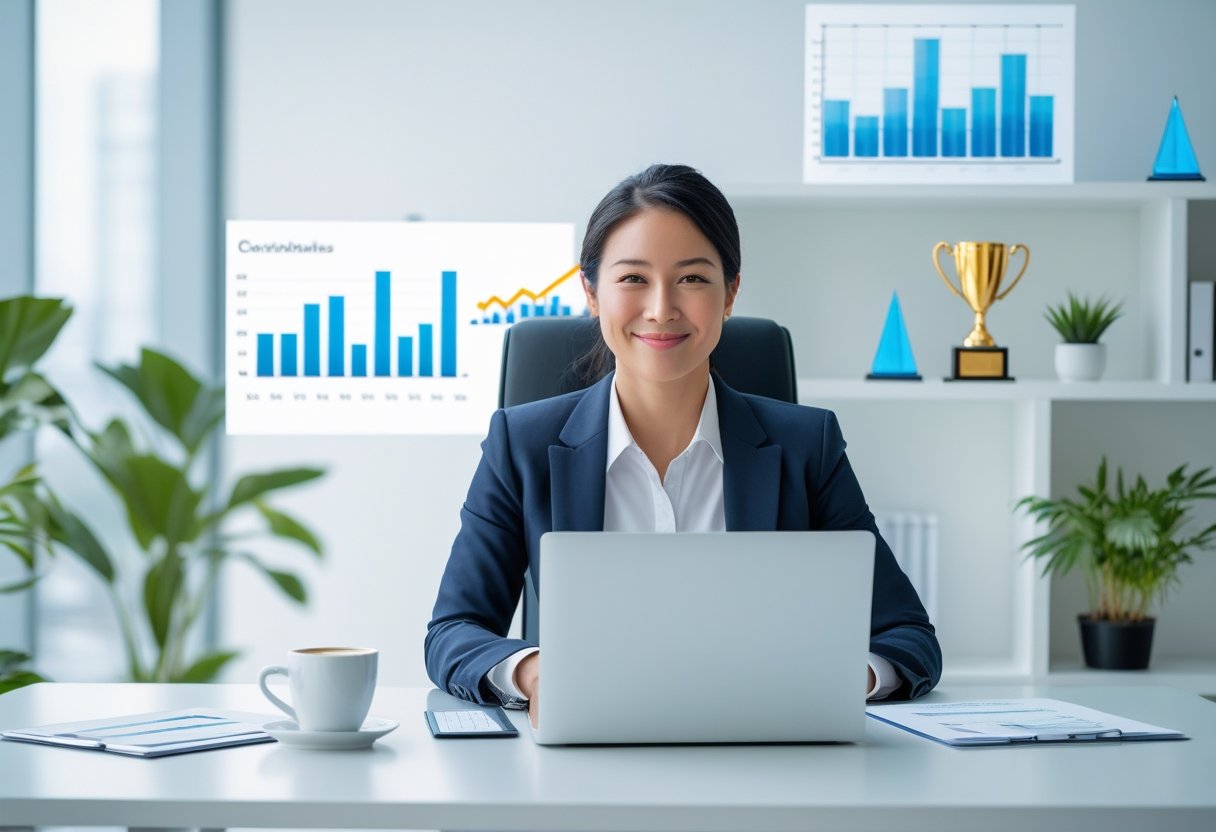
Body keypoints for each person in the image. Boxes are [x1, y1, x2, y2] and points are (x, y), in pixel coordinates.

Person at [425, 163, 941, 725]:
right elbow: (453, 632)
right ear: (592, 293)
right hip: (579, 769)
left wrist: (847, 675)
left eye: (693, 279)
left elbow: (907, 636)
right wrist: (534, 672)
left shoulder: (806, 448)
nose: (662, 307)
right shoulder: (521, 446)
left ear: (730, 294)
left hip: (768, 758)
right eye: (633, 279)